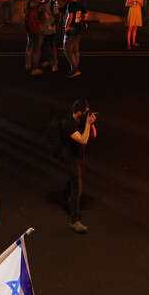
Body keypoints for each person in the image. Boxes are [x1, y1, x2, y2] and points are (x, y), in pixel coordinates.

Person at [60, 99, 97, 234]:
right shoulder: (68, 124)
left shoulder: (80, 122)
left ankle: (68, 201)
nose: (86, 115)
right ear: (79, 112)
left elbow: (93, 135)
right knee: (77, 189)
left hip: (78, 160)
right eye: (85, 112)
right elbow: (83, 140)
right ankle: (74, 221)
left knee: (72, 185)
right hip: (71, 160)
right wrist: (87, 123)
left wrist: (90, 124)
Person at [62, 0, 86, 77]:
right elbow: (86, 15)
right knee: (76, 50)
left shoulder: (70, 5)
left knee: (67, 49)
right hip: (78, 28)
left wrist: (66, 27)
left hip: (71, 29)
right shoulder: (80, 5)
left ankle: (74, 68)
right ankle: (76, 68)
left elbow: (70, 16)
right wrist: (81, 21)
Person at [24, 0, 47, 74]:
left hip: (30, 31)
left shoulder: (28, 11)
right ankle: (35, 68)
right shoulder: (37, 11)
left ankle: (28, 64)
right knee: (37, 50)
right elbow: (42, 21)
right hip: (37, 31)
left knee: (29, 48)